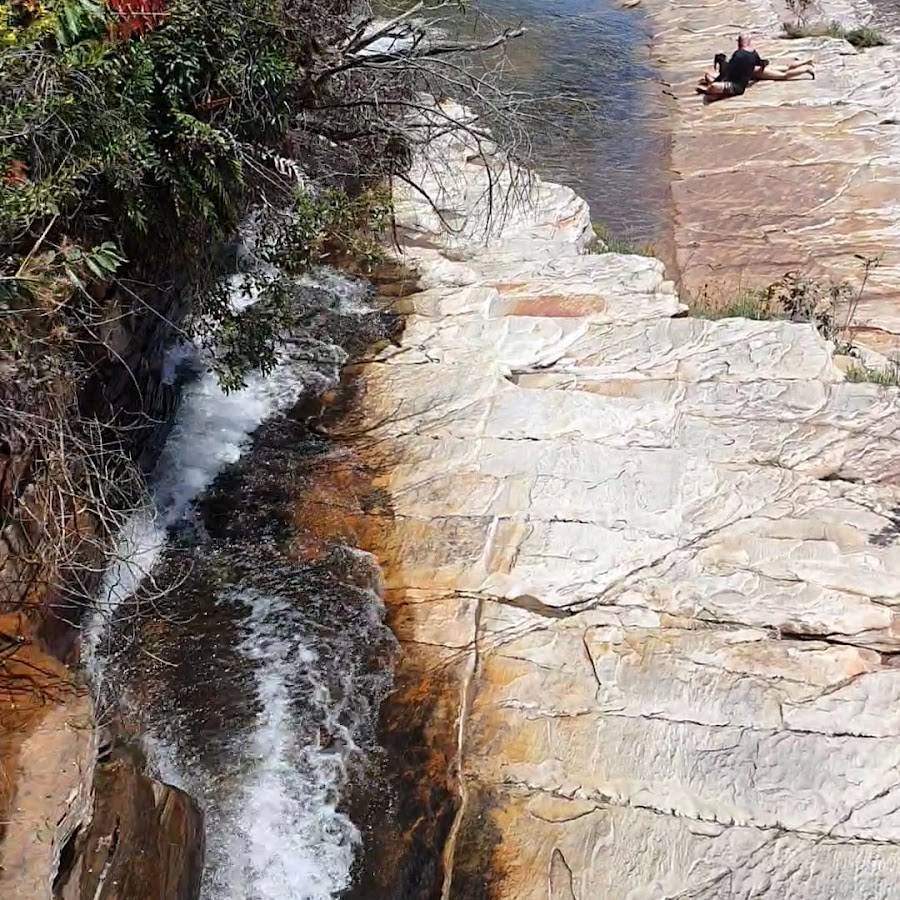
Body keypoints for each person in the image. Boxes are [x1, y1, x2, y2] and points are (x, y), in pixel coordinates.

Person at [697, 33, 814, 101]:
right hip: (753, 71)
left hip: (748, 76)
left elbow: (726, 73)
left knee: (783, 74)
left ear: (739, 43)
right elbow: (760, 62)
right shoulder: (753, 52)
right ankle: (806, 62)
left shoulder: (738, 55)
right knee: (784, 67)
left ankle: (806, 69)